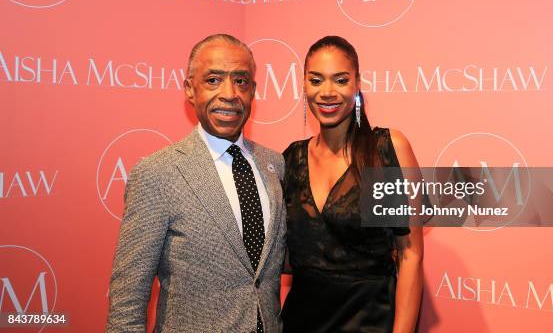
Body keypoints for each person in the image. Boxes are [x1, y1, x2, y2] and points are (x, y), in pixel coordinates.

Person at [106, 34, 286, 333]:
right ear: (190, 89)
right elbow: (129, 293)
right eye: (213, 80)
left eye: (241, 81)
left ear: (253, 90)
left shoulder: (274, 164)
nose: (229, 93)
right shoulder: (157, 172)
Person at [281, 36, 424, 332]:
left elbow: (411, 254)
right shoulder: (291, 158)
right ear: (304, 85)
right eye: (316, 80)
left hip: (368, 322)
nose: (327, 92)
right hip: (300, 322)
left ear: (357, 84)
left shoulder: (386, 150)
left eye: (341, 80)